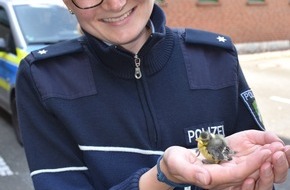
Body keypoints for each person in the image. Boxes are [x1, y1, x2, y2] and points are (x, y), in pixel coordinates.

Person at [15, 0, 290, 190]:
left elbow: (242, 165)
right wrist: (162, 177)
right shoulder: (43, 80)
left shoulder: (217, 58)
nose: (115, 4)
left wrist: (249, 177)